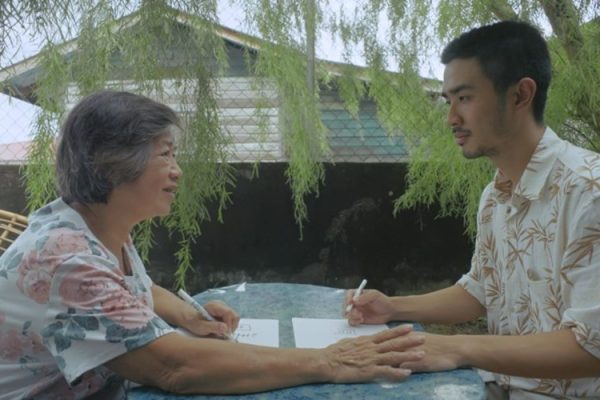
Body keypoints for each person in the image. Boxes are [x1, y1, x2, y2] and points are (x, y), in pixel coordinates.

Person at [0, 90, 426, 399]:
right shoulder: (67, 259)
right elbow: (174, 367)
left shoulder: (96, 227)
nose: (177, 171)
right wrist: (329, 361)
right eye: (165, 154)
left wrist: (188, 313)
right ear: (111, 164)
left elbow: (132, 291)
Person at [345, 21, 600, 399]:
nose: (451, 118)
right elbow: (481, 290)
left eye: (464, 98)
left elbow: (592, 347)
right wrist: (391, 307)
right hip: (501, 388)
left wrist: (455, 348)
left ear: (521, 94)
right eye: (448, 100)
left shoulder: (589, 193)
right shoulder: (495, 196)